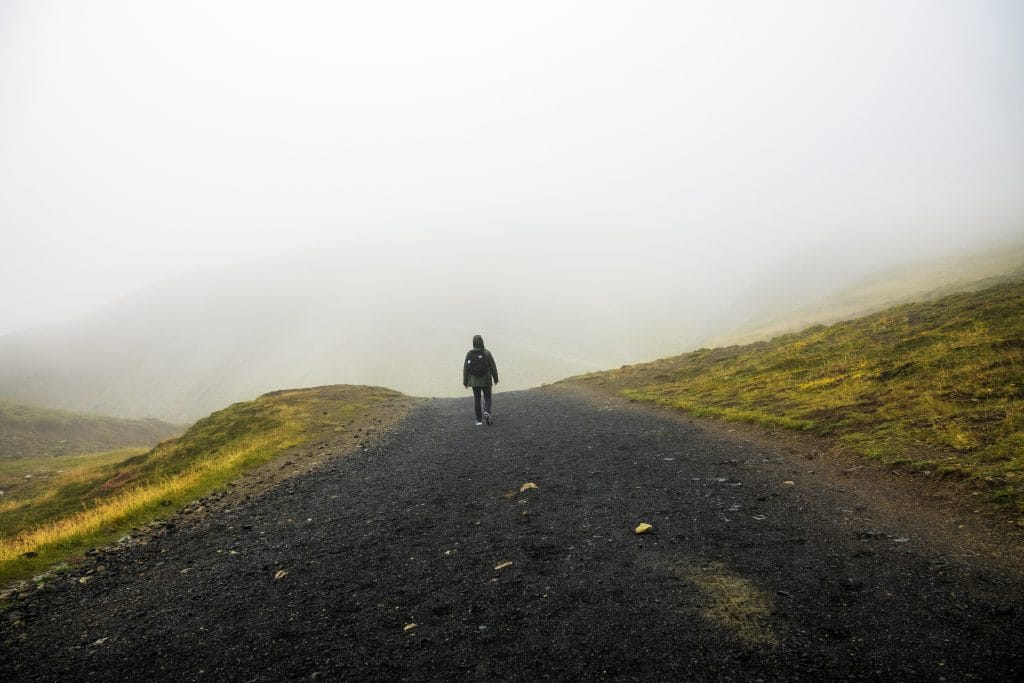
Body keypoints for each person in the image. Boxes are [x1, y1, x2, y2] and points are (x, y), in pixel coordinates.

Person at [463, 334, 499, 426]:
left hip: (474, 381)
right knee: (487, 398)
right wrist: (495, 378)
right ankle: (486, 412)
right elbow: (493, 366)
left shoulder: (469, 353)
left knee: (477, 399)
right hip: (486, 380)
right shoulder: (487, 353)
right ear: (482, 341)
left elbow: (466, 368)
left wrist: (465, 382)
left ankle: (479, 421)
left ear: (473, 342)